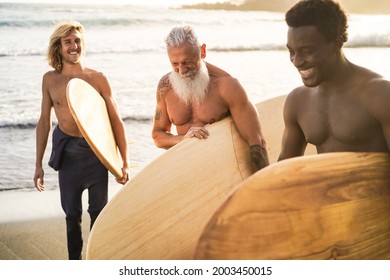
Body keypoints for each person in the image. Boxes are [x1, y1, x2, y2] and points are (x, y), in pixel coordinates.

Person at [33, 21, 129, 260]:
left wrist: (123, 162)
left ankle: (98, 262)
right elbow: (44, 122)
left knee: (99, 213)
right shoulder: (50, 80)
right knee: (71, 215)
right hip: (68, 157)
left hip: (95, 154)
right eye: (68, 42)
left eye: (77, 41)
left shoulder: (97, 78)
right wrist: (38, 165)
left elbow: (116, 122)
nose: (74, 46)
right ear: (59, 47)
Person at [278, 0, 390, 161]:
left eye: (307, 51)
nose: (296, 61)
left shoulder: (379, 95)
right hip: (324, 186)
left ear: (336, 44)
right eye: (291, 51)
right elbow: (284, 170)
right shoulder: (297, 101)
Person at [152, 25, 269, 172]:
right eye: (175, 64)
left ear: (203, 51)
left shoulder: (227, 86)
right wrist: (182, 139)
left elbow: (256, 142)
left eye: (187, 62)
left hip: (224, 168)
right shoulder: (165, 87)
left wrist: (261, 185)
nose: (181, 71)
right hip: (187, 168)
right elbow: (158, 135)